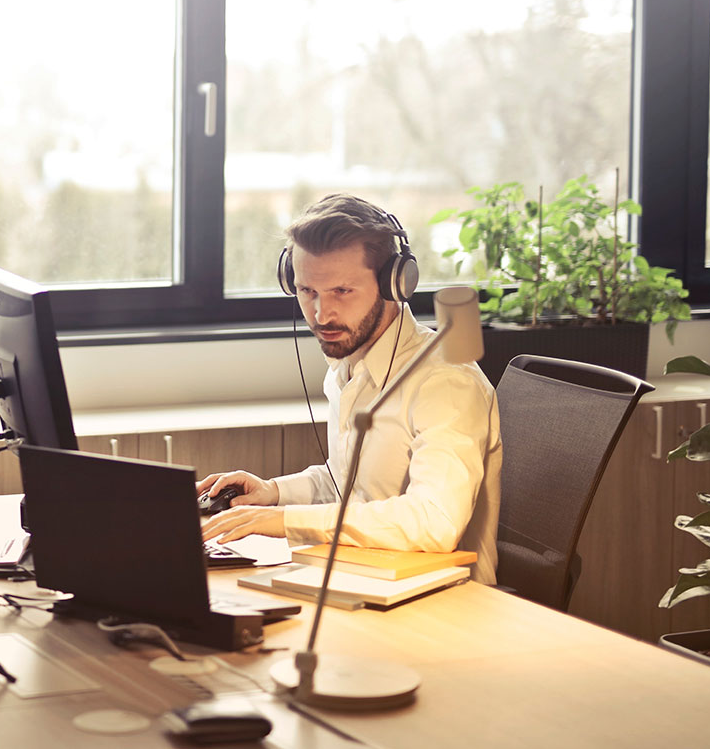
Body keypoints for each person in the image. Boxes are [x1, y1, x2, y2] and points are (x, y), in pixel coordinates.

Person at [200, 194, 502, 584]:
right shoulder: (348, 364)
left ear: (395, 283)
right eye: (307, 292)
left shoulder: (446, 382)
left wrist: (285, 521)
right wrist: (273, 493)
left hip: (445, 602)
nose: (321, 315)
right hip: (363, 576)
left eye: (342, 291)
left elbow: (434, 522)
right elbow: (351, 486)